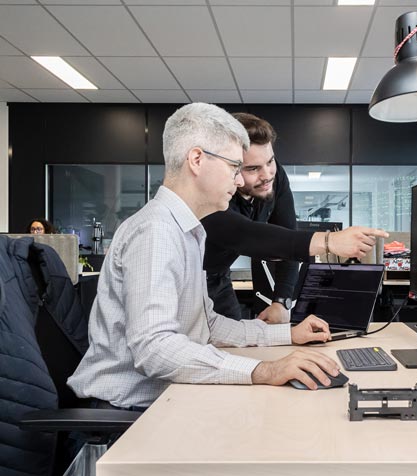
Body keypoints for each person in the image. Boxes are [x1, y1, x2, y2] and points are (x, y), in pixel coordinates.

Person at [67, 103, 341, 411]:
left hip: (165, 399)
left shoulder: (187, 231)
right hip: (127, 414)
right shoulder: (156, 231)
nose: (239, 182)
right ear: (197, 160)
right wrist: (264, 370)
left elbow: (207, 327)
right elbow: (155, 350)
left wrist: (285, 334)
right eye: (234, 168)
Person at [202, 113, 388, 324]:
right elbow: (245, 236)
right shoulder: (211, 192)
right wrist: (329, 241)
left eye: (270, 161)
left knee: (234, 344)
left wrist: (281, 301)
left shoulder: (273, 176)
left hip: (219, 277)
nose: (267, 175)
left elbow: (288, 238)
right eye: (252, 168)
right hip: (189, 280)